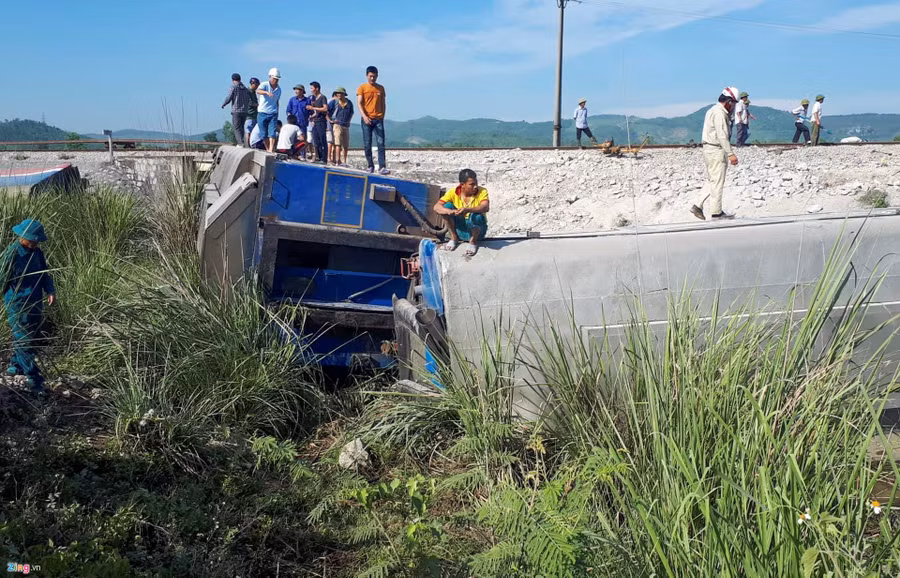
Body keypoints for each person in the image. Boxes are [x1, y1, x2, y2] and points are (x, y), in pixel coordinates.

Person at [2, 219, 57, 394]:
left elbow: (44, 273)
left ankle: (15, 364)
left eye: (36, 241)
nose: (34, 244)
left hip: (35, 302)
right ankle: (34, 379)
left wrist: (50, 291)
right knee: (26, 340)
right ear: (22, 237)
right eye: (31, 240)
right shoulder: (11, 255)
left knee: (29, 334)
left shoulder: (37, 253)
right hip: (17, 304)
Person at [690, 87, 740, 221]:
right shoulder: (720, 113)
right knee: (717, 182)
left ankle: (697, 206)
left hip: (709, 149)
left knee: (713, 180)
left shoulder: (712, 110)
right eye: (733, 103)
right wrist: (730, 154)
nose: (734, 107)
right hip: (716, 150)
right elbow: (722, 136)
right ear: (729, 101)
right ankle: (717, 213)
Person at [433, 169, 490, 257]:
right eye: (471, 184)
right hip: (460, 229)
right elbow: (436, 207)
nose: (475, 187)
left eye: (476, 183)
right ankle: (454, 237)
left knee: (477, 216)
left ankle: (473, 242)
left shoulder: (482, 191)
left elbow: (485, 207)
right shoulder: (453, 192)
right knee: (446, 206)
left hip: (478, 231)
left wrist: (468, 209)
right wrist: (450, 212)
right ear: (462, 184)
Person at [357, 66, 389, 174]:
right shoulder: (362, 88)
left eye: (374, 76)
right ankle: (370, 165)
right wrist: (365, 117)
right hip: (367, 119)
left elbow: (383, 103)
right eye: (370, 76)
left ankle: (382, 167)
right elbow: (359, 103)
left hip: (378, 119)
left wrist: (382, 115)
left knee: (381, 143)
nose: (372, 78)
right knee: (367, 143)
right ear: (367, 76)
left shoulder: (381, 88)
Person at [256, 67, 282, 153]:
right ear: (270, 77)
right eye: (274, 79)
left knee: (272, 132)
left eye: (277, 79)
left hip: (273, 112)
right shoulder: (265, 84)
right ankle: (267, 148)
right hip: (262, 112)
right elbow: (258, 91)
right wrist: (266, 92)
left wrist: (277, 111)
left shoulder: (279, 89)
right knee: (263, 134)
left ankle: (271, 149)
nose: (275, 81)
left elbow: (277, 101)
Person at [221, 73, 251, 146]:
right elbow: (248, 99)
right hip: (244, 111)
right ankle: (243, 142)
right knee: (241, 127)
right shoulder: (245, 88)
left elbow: (229, 97)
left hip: (236, 110)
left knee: (236, 128)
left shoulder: (234, 87)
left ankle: (240, 143)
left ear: (233, 80)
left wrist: (224, 104)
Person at [328, 87, 354, 166]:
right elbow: (327, 112)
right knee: (337, 143)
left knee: (345, 144)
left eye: (340, 93)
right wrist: (330, 120)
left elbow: (351, 113)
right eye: (337, 93)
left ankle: (344, 160)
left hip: (346, 125)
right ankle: (337, 160)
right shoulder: (334, 102)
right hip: (337, 124)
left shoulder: (349, 103)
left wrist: (349, 121)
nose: (339, 95)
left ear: (344, 94)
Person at [306, 82, 329, 164]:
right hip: (315, 121)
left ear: (317, 88)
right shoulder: (314, 99)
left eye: (312, 88)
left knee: (322, 139)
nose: (311, 90)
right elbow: (316, 111)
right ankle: (318, 157)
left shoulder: (323, 97)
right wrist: (311, 117)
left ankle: (324, 158)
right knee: (316, 140)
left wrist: (313, 107)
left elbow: (325, 109)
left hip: (321, 122)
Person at [286, 85, 309, 159]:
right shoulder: (292, 100)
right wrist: (290, 117)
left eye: (298, 90)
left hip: (302, 123)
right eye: (295, 90)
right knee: (292, 139)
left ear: (302, 91)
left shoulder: (307, 100)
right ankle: (294, 154)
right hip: (293, 124)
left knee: (302, 140)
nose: (296, 91)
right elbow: (288, 110)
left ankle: (302, 155)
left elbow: (310, 111)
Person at [244, 77, 260, 147]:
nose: (257, 87)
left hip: (254, 115)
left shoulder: (254, 92)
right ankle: (247, 146)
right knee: (248, 131)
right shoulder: (247, 92)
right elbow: (250, 103)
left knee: (253, 132)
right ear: (252, 84)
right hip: (249, 115)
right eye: (256, 85)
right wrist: (259, 105)